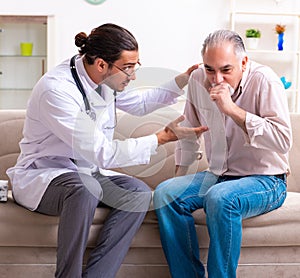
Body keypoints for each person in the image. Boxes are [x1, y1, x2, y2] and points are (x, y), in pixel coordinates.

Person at [6, 23, 205, 278]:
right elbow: (101, 152)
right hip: (46, 176)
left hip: (85, 173)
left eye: (136, 66)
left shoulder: (105, 81)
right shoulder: (56, 90)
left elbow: (141, 103)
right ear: (101, 64)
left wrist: (184, 79)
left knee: (138, 193)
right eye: (128, 68)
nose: (133, 76)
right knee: (84, 190)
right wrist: (164, 137)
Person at [153, 29, 292, 278]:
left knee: (221, 198)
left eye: (226, 70)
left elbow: (283, 141)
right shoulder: (197, 80)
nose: (217, 79)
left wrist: (232, 110)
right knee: (166, 194)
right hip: (218, 175)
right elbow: (189, 134)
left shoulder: (265, 81)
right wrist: (177, 179)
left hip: (267, 179)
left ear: (244, 62)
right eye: (210, 69)